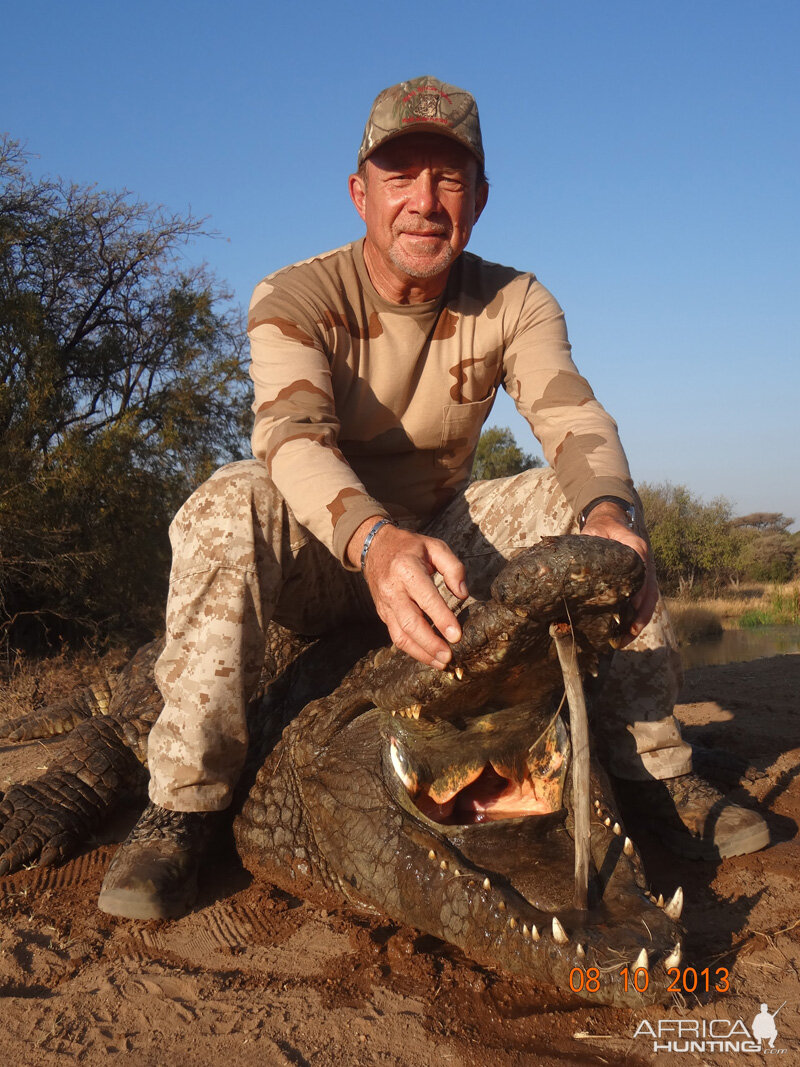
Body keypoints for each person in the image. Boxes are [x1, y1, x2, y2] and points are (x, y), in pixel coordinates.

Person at [98, 76, 769, 920]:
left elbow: (571, 418)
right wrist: (375, 542)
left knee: (601, 528)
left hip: (444, 535)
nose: (424, 201)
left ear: (480, 198)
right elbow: (291, 439)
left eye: (449, 177)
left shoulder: (516, 299)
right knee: (228, 500)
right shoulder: (294, 294)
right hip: (329, 552)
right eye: (400, 174)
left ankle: (658, 771)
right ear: (360, 193)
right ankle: (184, 804)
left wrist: (610, 518)